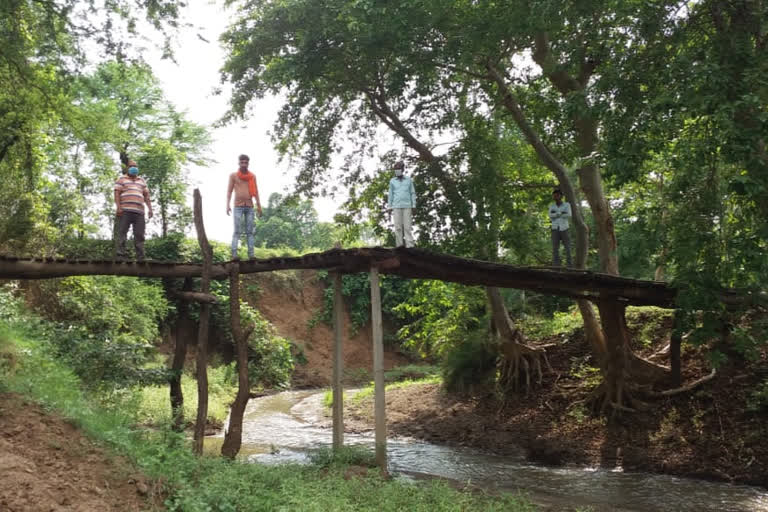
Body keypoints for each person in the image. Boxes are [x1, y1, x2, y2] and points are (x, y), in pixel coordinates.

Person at [114, 161, 153, 261]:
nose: (134, 168)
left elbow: (147, 196)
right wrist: (118, 207)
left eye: (135, 166)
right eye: (131, 166)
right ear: (127, 168)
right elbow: (117, 193)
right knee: (122, 232)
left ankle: (140, 257)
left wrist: (150, 209)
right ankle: (120, 255)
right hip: (125, 210)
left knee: (140, 234)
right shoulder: (121, 179)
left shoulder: (142, 181)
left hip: (139, 212)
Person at [226, 154, 262, 259]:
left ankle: (251, 255)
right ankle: (234, 255)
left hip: (250, 206)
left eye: (246, 162)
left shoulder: (252, 176)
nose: (244, 164)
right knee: (237, 231)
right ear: (239, 163)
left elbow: (256, 191)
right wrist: (227, 205)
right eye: (242, 162)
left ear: (248, 163)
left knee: (250, 232)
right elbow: (229, 191)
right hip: (237, 206)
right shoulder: (233, 176)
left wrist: (259, 206)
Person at [387, 160, 416, 248]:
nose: (397, 170)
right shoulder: (392, 181)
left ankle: (410, 246)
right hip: (396, 206)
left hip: (407, 205)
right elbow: (391, 194)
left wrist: (414, 205)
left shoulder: (409, 180)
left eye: (398, 168)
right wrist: (389, 206)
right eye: (395, 169)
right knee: (398, 228)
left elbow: (412, 193)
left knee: (407, 227)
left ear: (403, 169)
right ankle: (399, 246)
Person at [549, 188, 572, 267]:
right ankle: (556, 266)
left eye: (557, 195)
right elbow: (550, 216)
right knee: (555, 248)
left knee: (567, 247)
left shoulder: (567, 205)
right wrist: (561, 213)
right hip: (555, 228)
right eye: (554, 195)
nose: (555, 197)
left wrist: (556, 213)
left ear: (561, 196)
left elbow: (568, 215)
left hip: (564, 228)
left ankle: (569, 266)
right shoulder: (551, 206)